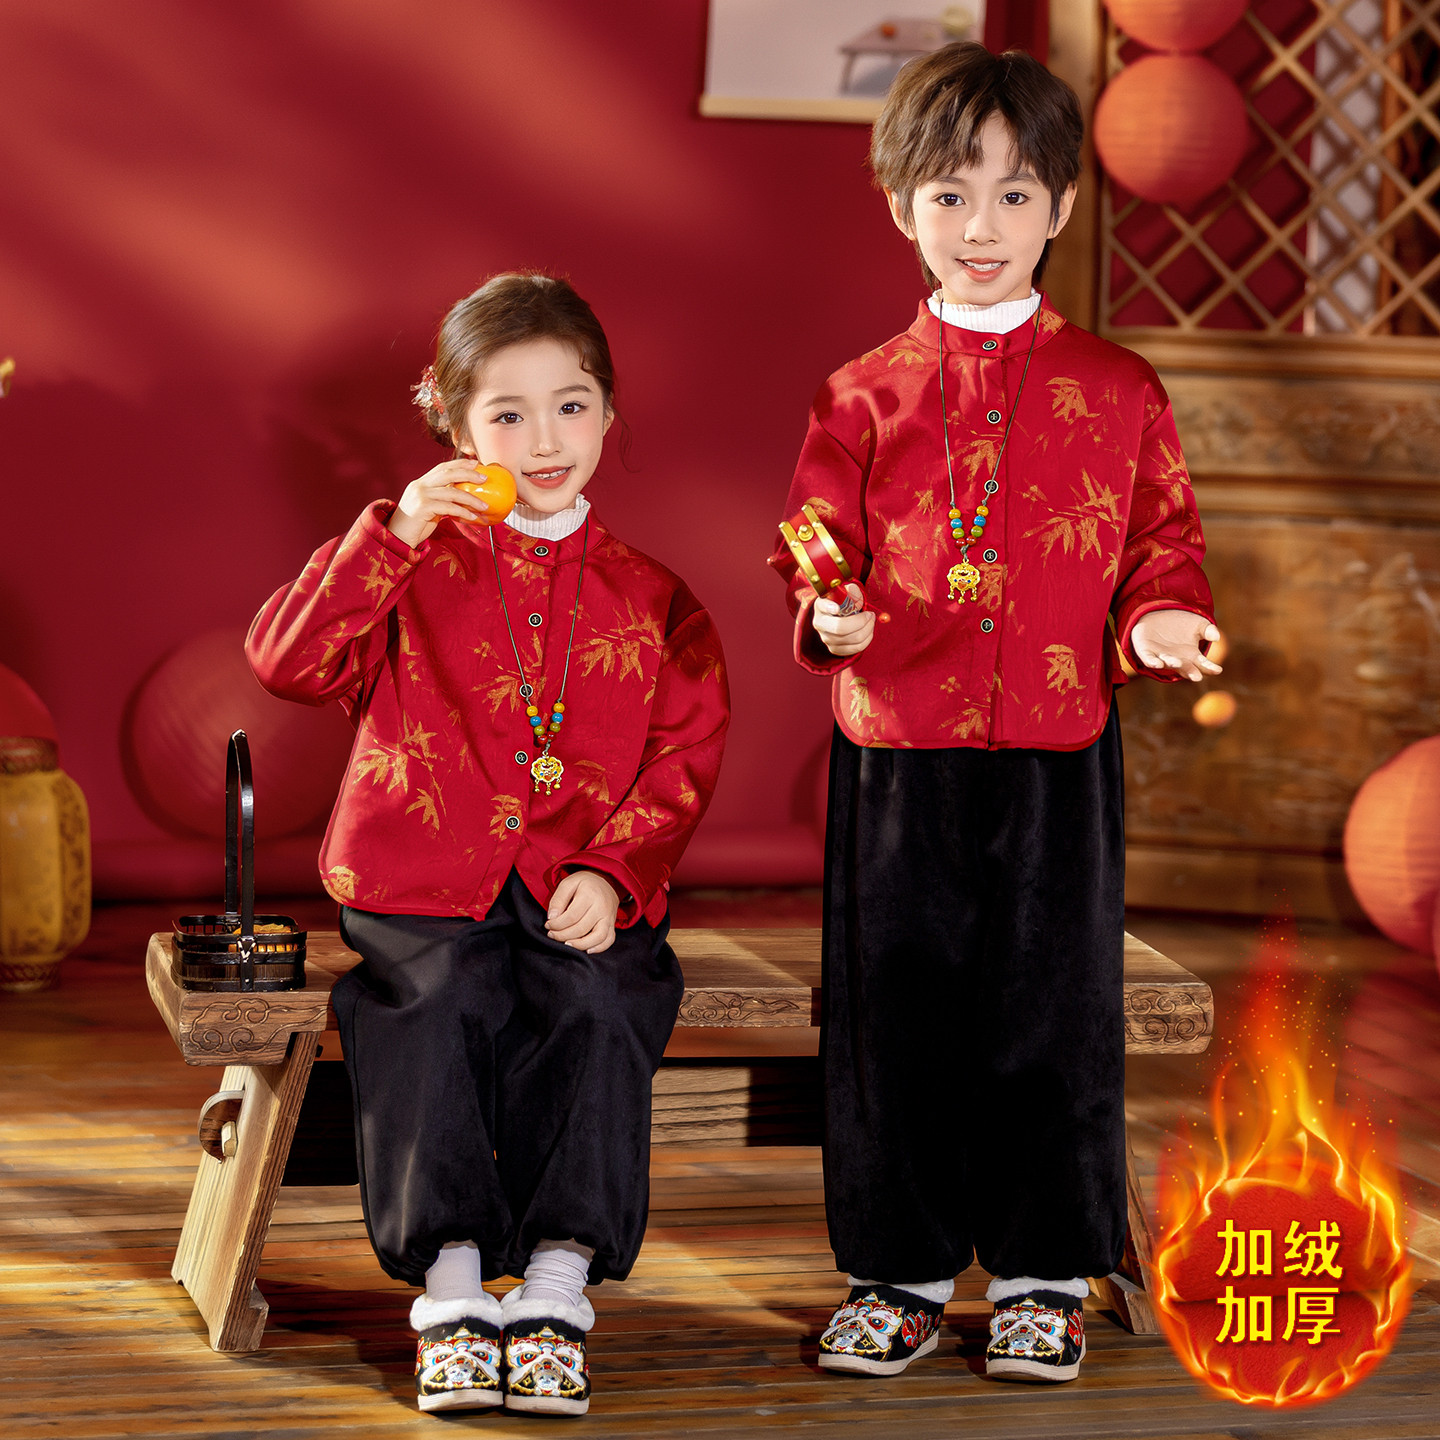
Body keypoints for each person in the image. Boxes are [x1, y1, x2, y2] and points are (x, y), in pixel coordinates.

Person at [769, 43, 1219, 1385]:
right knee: (891, 1016)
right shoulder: (859, 392)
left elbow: (1161, 542)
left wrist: (1157, 620)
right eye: (952, 195)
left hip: (1059, 747)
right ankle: (896, 1274)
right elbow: (813, 541)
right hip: (896, 747)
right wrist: (830, 612)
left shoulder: (1120, 388)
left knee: (1054, 1009)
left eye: (1016, 195)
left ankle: (1043, 1276)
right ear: (902, 205)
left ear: (1063, 205)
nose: (982, 226)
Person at [248, 273, 729, 1416]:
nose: (545, 439)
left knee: (601, 1002)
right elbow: (285, 661)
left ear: (608, 414)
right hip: (417, 881)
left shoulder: (655, 598)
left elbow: (686, 753)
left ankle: (558, 1289)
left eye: (571, 406)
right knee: (436, 1003)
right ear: (455, 428)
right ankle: (454, 1292)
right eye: (507, 413)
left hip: (578, 885)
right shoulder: (410, 562)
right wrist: (397, 529)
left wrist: (615, 872)